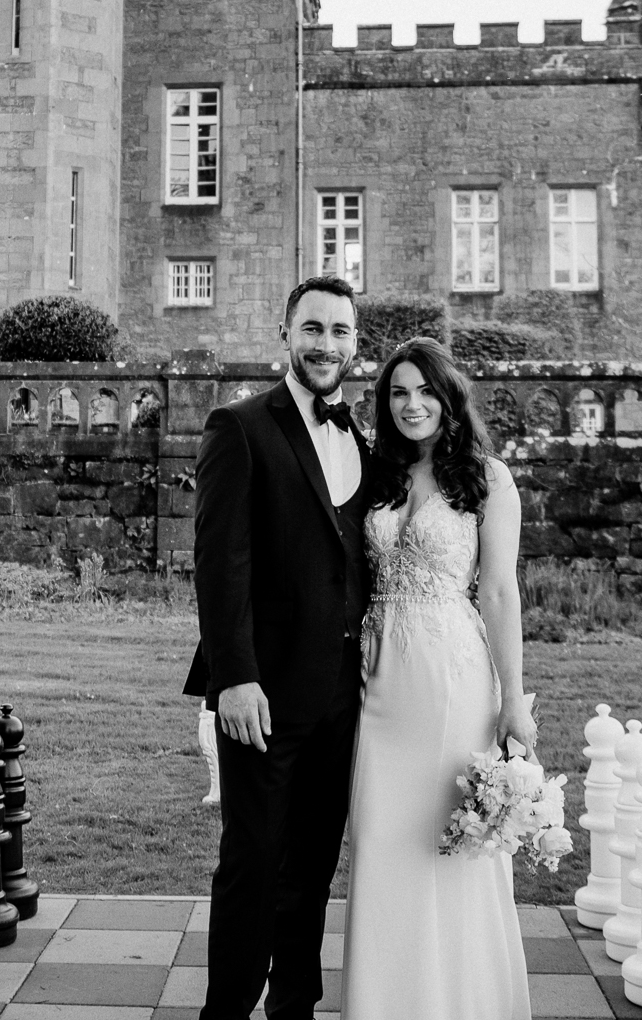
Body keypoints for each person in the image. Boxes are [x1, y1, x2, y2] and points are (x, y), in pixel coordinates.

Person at [183, 275, 371, 1020]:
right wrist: (234, 678)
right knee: (253, 863)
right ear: (285, 335)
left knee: (312, 865)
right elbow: (218, 561)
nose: (327, 344)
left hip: (342, 697)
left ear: (355, 344)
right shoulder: (241, 427)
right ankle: (224, 1011)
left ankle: (294, 1005)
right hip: (260, 693)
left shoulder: (359, 436)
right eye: (314, 329)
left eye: (341, 332)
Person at [342, 334, 535, 1020]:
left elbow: (501, 593)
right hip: (376, 674)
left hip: (451, 674)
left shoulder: (487, 479)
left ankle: (461, 1003)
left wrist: (514, 701)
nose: (412, 404)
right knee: (379, 839)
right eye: (398, 392)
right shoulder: (376, 475)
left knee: (449, 842)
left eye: (425, 390)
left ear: (448, 398)